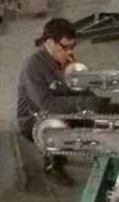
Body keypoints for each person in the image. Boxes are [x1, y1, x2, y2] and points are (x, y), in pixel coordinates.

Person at [16, 18, 109, 186]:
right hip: (34, 119)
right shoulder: (33, 66)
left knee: (92, 119)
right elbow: (47, 104)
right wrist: (82, 103)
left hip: (55, 108)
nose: (69, 51)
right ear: (50, 43)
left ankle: (96, 152)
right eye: (65, 47)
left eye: (72, 46)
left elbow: (76, 88)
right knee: (58, 127)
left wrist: (96, 101)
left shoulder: (64, 59)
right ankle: (53, 165)